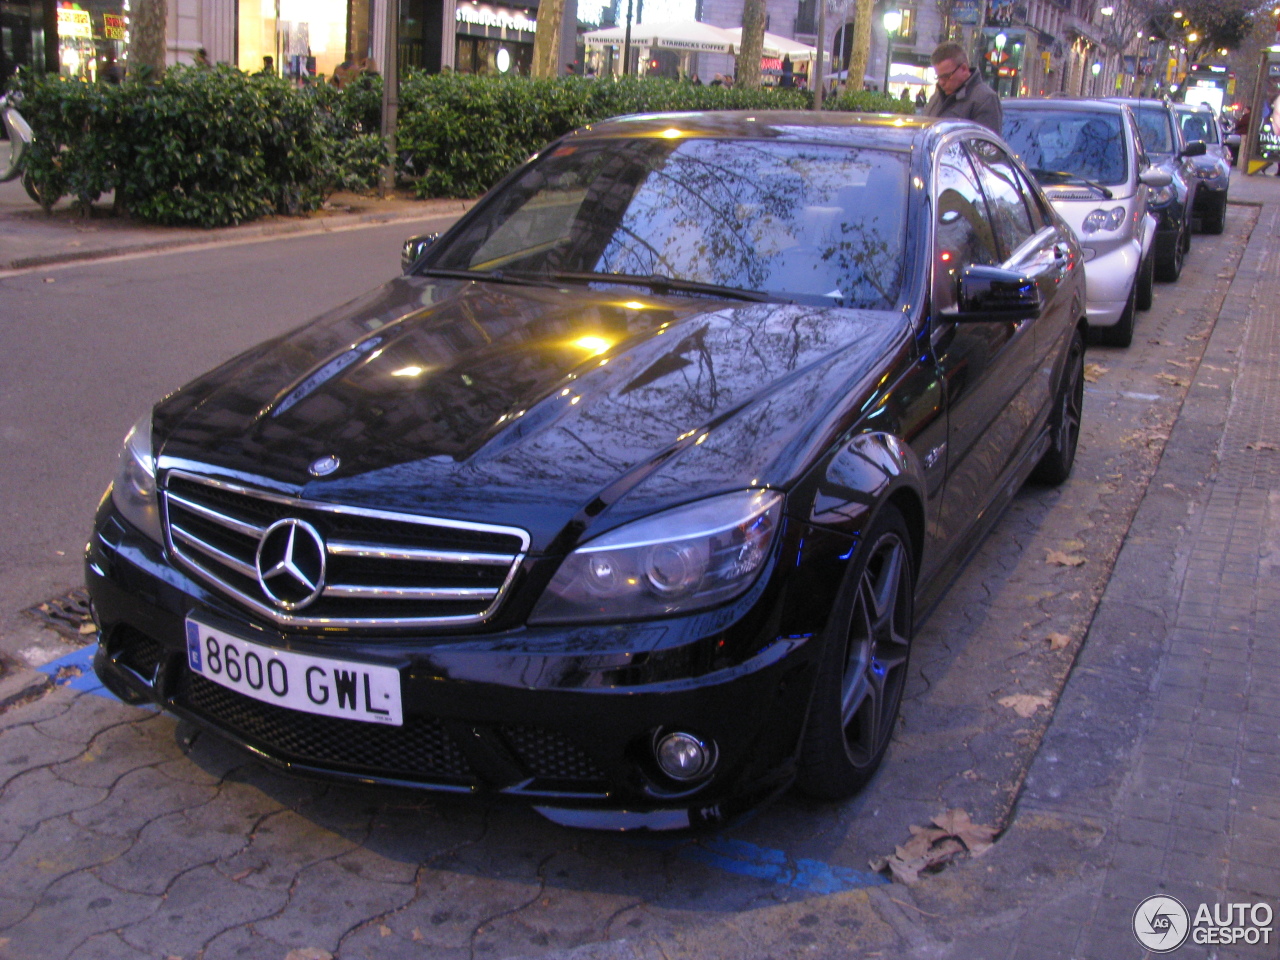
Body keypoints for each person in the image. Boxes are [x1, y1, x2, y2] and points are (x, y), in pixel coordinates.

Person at [922, 41, 1002, 133]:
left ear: (964, 69)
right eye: (939, 77)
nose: (941, 82)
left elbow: (986, 144)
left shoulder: (985, 100)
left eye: (946, 77)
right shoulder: (937, 97)